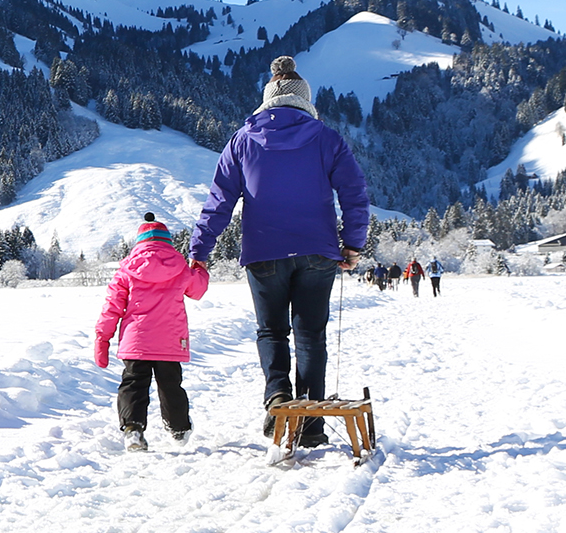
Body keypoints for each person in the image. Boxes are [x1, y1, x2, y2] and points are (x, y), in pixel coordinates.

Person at [190, 56, 370, 448]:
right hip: (317, 253)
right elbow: (355, 194)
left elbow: (220, 200)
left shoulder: (242, 140)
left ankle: (277, 397)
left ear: (267, 99)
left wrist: (200, 249)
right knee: (310, 334)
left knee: (271, 330)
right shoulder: (327, 139)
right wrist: (352, 243)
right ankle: (310, 424)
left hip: (264, 252)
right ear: (306, 101)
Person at [96, 214, 208, 452]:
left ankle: (133, 429)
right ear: (167, 241)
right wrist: (199, 268)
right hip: (170, 339)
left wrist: (102, 339)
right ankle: (178, 428)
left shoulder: (126, 270)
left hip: (136, 341)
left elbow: (111, 308)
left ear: (140, 242)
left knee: (133, 384)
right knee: (170, 385)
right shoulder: (178, 267)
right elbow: (197, 291)